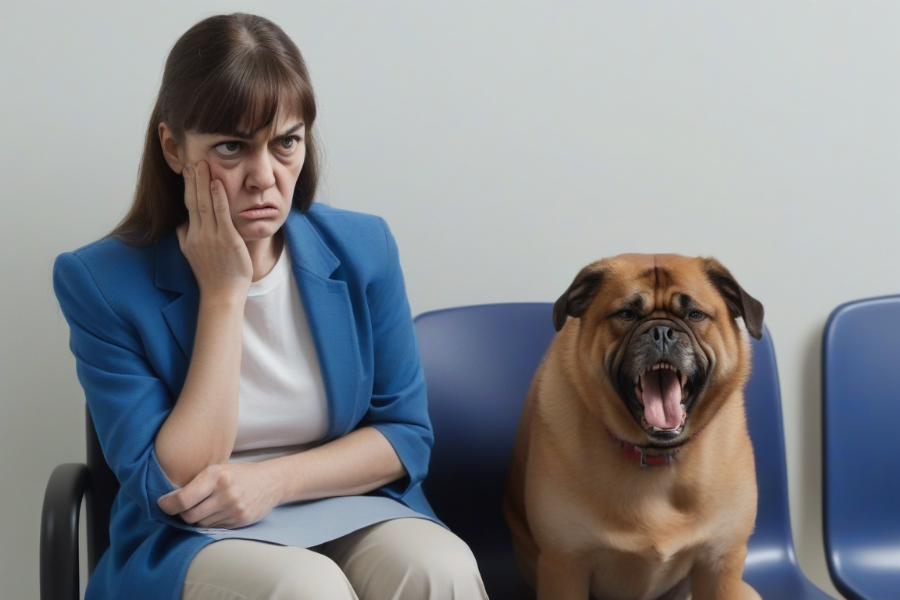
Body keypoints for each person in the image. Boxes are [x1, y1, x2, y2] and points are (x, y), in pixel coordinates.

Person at [53, 13, 488, 600]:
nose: (265, 178)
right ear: (173, 148)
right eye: (232, 148)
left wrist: (272, 481)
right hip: (190, 535)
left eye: (286, 143)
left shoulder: (364, 248)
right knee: (308, 589)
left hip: (341, 505)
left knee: (441, 567)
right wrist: (225, 293)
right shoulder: (99, 281)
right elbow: (172, 479)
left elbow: (405, 435)